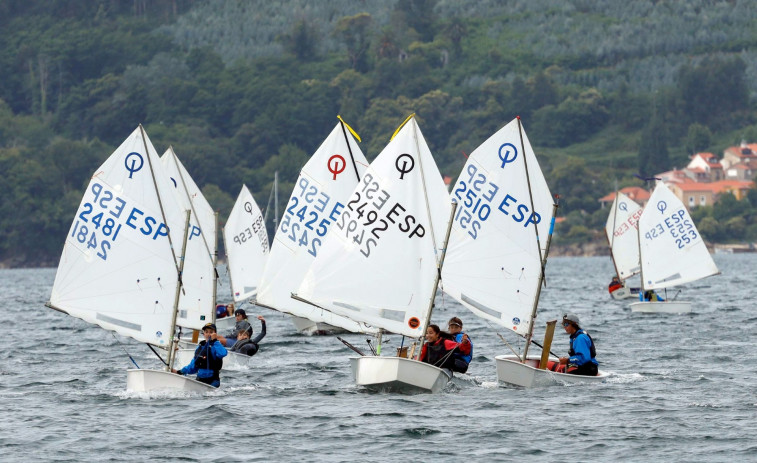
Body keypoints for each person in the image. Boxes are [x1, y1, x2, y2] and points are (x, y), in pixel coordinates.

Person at [172, 323, 228, 387]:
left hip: (213, 381)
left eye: (211, 332)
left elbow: (223, 353)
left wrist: (215, 341)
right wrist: (179, 372)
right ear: (203, 333)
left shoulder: (216, 345)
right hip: (200, 379)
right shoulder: (200, 347)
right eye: (206, 332)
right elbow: (193, 365)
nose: (208, 334)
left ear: (215, 334)